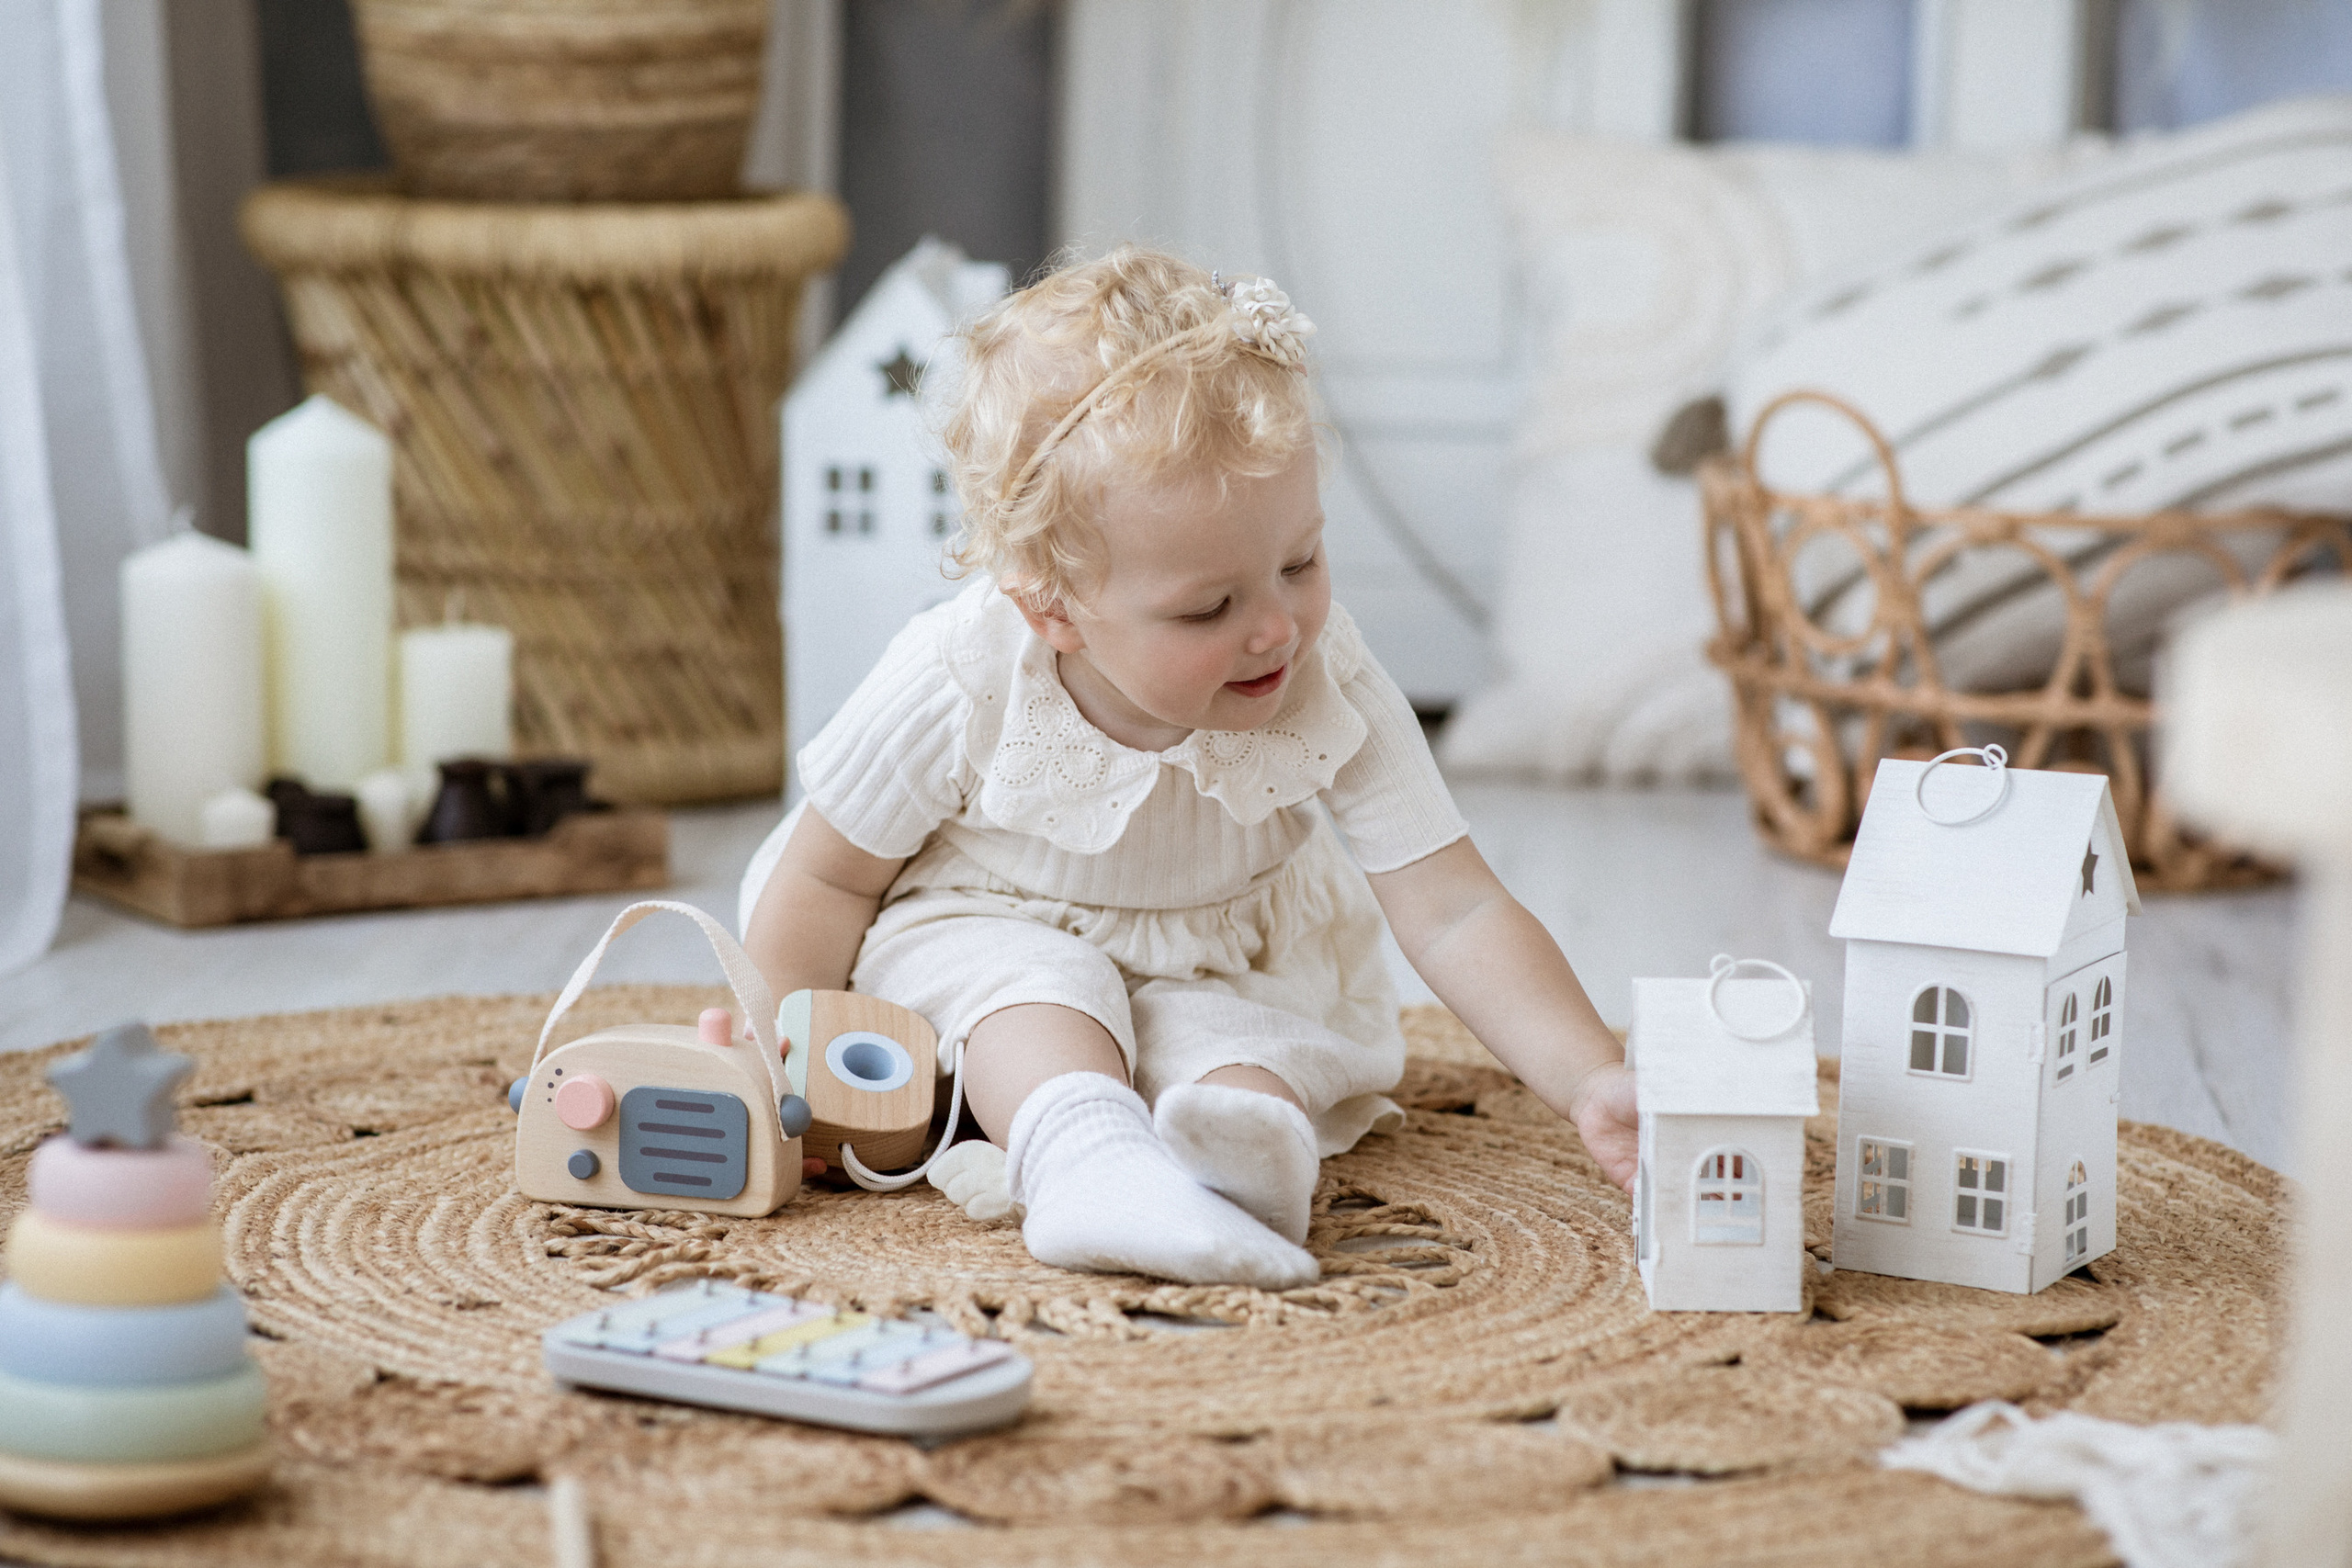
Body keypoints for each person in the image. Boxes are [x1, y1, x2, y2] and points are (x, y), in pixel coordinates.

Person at [741, 246, 1634, 1291]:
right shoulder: (967, 675)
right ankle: (1086, 1159)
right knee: (1040, 987)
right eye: (1207, 608)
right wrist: (775, 1069)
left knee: (1231, 1044)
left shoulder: (1323, 669)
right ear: (1053, 609)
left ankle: (1242, 1166)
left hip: (1219, 955)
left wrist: (1590, 1076)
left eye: (1300, 564)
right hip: (985, 935)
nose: (1274, 630)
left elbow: (1452, 909)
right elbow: (825, 874)